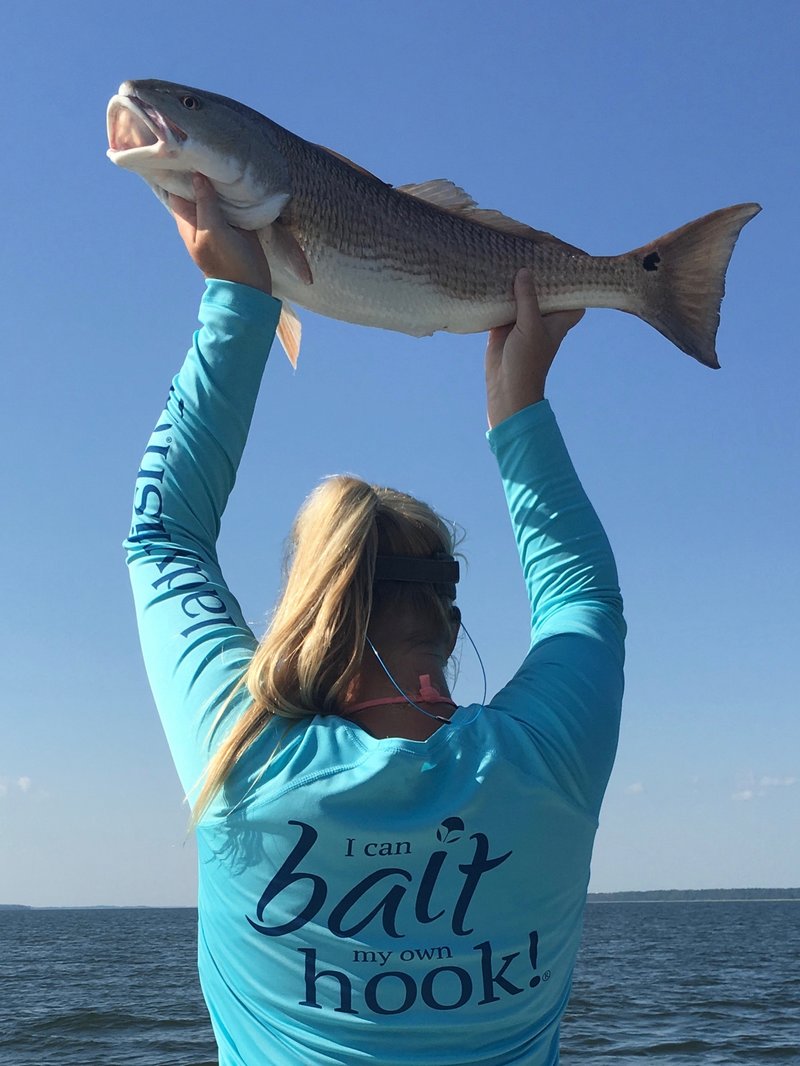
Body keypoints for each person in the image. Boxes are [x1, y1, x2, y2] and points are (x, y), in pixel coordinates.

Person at [126, 173, 625, 1065]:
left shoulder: (241, 760)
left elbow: (162, 538)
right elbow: (581, 600)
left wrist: (238, 298)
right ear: (444, 607)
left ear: (305, 606)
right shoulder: (543, 762)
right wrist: (519, 406)